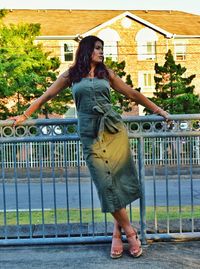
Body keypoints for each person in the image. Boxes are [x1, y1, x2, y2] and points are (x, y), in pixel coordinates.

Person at [12, 35, 169, 259]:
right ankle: (131, 232)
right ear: (86, 50)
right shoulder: (71, 75)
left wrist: (161, 111)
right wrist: (25, 115)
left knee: (119, 182)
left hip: (113, 130)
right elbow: (47, 95)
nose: (101, 52)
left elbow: (132, 93)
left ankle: (117, 234)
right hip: (90, 134)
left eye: (102, 48)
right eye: (97, 48)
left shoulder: (107, 73)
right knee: (105, 185)